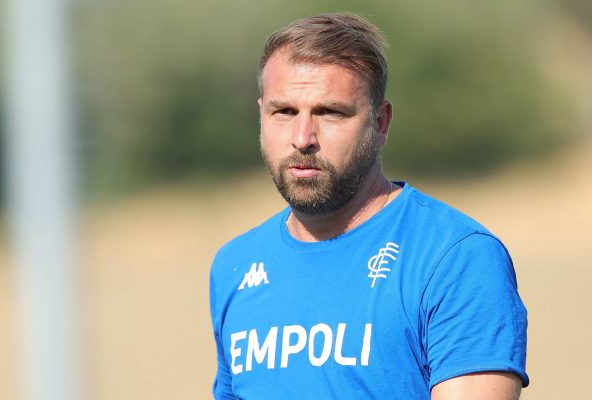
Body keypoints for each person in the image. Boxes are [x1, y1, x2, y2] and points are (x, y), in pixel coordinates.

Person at [209, 12, 528, 399]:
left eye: (329, 112)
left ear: (380, 123)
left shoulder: (455, 257)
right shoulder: (235, 265)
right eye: (284, 112)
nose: (302, 138)